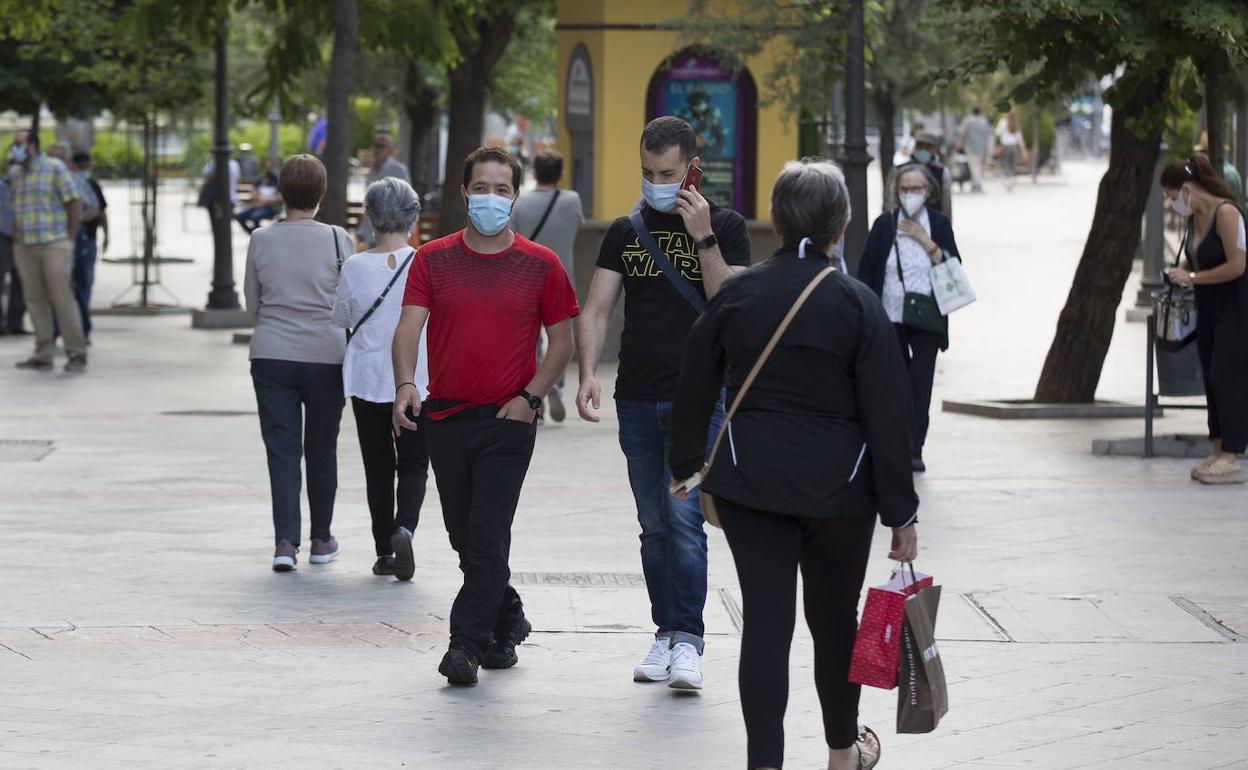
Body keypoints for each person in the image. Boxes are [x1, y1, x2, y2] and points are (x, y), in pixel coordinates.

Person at [668, 159, 918, 770]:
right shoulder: (857, 305)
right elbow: (889, 417)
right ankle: (841, 753)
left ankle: (765, 764)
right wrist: (901, 514)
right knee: (835, 624)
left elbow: (694, 383)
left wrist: (684, 465)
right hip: (841, 494)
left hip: (751, 488)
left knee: (766, 626)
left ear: (775, 221)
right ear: (842, 226)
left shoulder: (738, 295)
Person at [392, 147, 579, 685]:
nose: (491, 198)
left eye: (502, 189)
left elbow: (561, 341)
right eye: (481, 188)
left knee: (487, 534)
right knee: (464, 537)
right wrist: (406, 382)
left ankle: (465, 645)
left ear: (516, 196)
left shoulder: (542, 264)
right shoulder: (432, 258)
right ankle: (508, 619)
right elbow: (408, 327)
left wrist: (533, 396)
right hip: (445, 418)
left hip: (507, 422)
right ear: (464, 193)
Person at [576, 116, 751, 690]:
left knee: (683, 522)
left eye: (668, 173)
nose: (656, 182)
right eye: (648, 172)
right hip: (637, 397)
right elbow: (597, 307)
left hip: (701, 400)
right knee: (652, 526)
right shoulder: (626, 229)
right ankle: (665, 633)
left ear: (692, 168)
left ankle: (690, 640)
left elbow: (731, 299)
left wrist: (701, 235)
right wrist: (586, 373)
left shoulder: (724, 224)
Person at [244, 154, 353, 571]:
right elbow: (347, 303)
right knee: (322, 448)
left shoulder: (260, 239)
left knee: (282, 450)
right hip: (326, 356)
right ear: (322, 195)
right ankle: (322, 539)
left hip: (271, 353)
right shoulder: (338, 239)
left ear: (282, 194)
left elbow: (252, 302)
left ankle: (285, 543)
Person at [332, 178, 431, 580]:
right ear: (412, 217)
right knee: (413, 464)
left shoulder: (355, 266)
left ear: (371, 217)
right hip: (416, 378)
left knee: (378, 467)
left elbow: (341, 318)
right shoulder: (426, 261)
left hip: (369, 377)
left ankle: (383, 551)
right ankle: (404, 527)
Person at [856, 163, 963, 473]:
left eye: (916, 188)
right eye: (905, 188)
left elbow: (954, 265)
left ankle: (915, 448)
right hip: (890, 315)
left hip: (928, 316)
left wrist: (927, 242)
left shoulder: (939, 225)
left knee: (922, 383)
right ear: (896, 191)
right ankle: (895, 445)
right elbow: (867, 270)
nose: (910, 194)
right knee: (895, 383)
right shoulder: (884, 225)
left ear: (928, 192)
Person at [1160, 154, 1248, 484]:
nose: (1171, 205)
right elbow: (1194, 260)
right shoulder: (1193, 219)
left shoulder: (1226, 214)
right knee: (1211, 377)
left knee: (1228, 377)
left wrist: (1193, 277)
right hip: (1207, 311)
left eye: (1171, 197)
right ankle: (1218, 447)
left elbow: (1238, 266)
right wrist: (1181, 274)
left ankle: (1232, 454)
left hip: (1235, 310)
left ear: (1186, 190)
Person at [511, 148, 584, 422]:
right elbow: (575, 231)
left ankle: (535, 401)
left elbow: (514, 239)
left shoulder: (520, 204)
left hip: (527, 278)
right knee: (560, 338)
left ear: (534, 172)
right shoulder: (572, 200)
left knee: (532, 342)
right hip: (562, 276)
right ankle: (555, 383)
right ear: (560, 174)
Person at [8, 129, 87, 372]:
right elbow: (15, 206)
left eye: (19, 144)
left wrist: (70, 237)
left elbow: (74, 201)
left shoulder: (54, 167)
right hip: (26, 244)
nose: (15, 148)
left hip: (54, 242)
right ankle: (43, 352)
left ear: (32, 145)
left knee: (62, 298)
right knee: (34, 300)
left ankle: (76, 352)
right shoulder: (16, 173)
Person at [68, 151, 107, 342]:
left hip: (86, 242)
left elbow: (99, 211)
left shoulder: (90, 185)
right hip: (65, 243)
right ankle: (59, 331)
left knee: (83, 286)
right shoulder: (67, 183)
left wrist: (107, 236)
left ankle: (83, 331)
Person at [358, 134, 411, 248]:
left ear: (390, 150)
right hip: (373, 232)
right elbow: (369, 203)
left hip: (392, 233)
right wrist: (363, 231)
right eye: (376, 146)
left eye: (381, 146)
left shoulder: (398, 170)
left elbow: (406, 201)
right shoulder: (372, 171)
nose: (377, 149)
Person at [0, 176, 28, 335]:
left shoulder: (27, 186)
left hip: (22, 237)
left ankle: (16, 324)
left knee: (21, 281)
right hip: (3, 237)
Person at [234, 159, 283, 234]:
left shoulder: (277, 181)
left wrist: (264, 201)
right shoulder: (260, 180)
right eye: (266, 167)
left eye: (269, 167)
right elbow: (253, 194)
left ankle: (260, 235)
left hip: (271, 208)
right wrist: (262, 200)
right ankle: (253, 234)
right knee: (239, 216)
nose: (267, 169)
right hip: (257, 206)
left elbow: (279, 198)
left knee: (255, 217)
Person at [911, 132, 953, 218]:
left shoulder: (942, 173)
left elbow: (946, 203)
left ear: (935, 150)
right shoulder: (902, 170)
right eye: (920, 147)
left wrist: (947, 226)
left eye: (927, 148)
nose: (923, 150)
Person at [955, 107, 994, 193]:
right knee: (979, 167)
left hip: (970, 147)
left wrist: (958, 145)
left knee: (974, 167)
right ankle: (975, 184)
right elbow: (989, 134)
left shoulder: (968, 121)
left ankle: (977, 184)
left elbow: (962, 134)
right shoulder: (984, 121)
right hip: (982, 148)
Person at [995, 111, 1027, 191]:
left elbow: (997, 133)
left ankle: (1009, 180)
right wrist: (1023, 151)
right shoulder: (1016, 124)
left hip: (1005, 147)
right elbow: (1020, 139)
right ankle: (1011, 179)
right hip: (1014, 147)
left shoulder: (1003, 122)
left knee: (1006, 164)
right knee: (1012, 165)